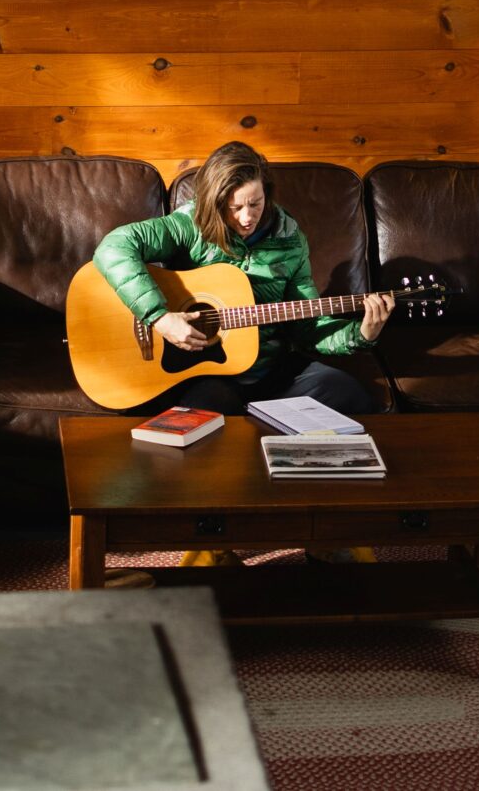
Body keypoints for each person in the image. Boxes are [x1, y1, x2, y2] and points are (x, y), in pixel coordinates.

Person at [90, 141, 396, 568]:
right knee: (201, 425)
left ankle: (327, 532)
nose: (247, 217)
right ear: (214, 203)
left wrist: (361, 333)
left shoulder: (289, 240)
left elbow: (308, 328)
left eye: (255, 203)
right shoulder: (189, 226)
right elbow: (113, 248)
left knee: (351, 398)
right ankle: (214, 548)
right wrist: (159, 317)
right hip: (210, 374)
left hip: (274, 367)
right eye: (234, 208)